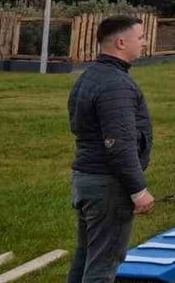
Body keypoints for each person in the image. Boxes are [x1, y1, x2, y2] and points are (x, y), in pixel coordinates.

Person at [67, 15, 156, 283]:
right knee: (103, 265)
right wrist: (138, 190)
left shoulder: (91, 75)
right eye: (140, 38)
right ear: (120, 42)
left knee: (87, 256)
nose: (144, 42)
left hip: (87, 179)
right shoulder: (115, 84)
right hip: (107, 185)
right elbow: (118, 144)